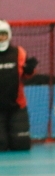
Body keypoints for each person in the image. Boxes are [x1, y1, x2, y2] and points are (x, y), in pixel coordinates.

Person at [0, 20, 36, 151]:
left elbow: (27, 75)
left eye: (3, 34)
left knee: (21, 145)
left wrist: (29, 70)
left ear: (9, 35)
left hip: (17, 106)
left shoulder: (19, 52)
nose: (1, 38)